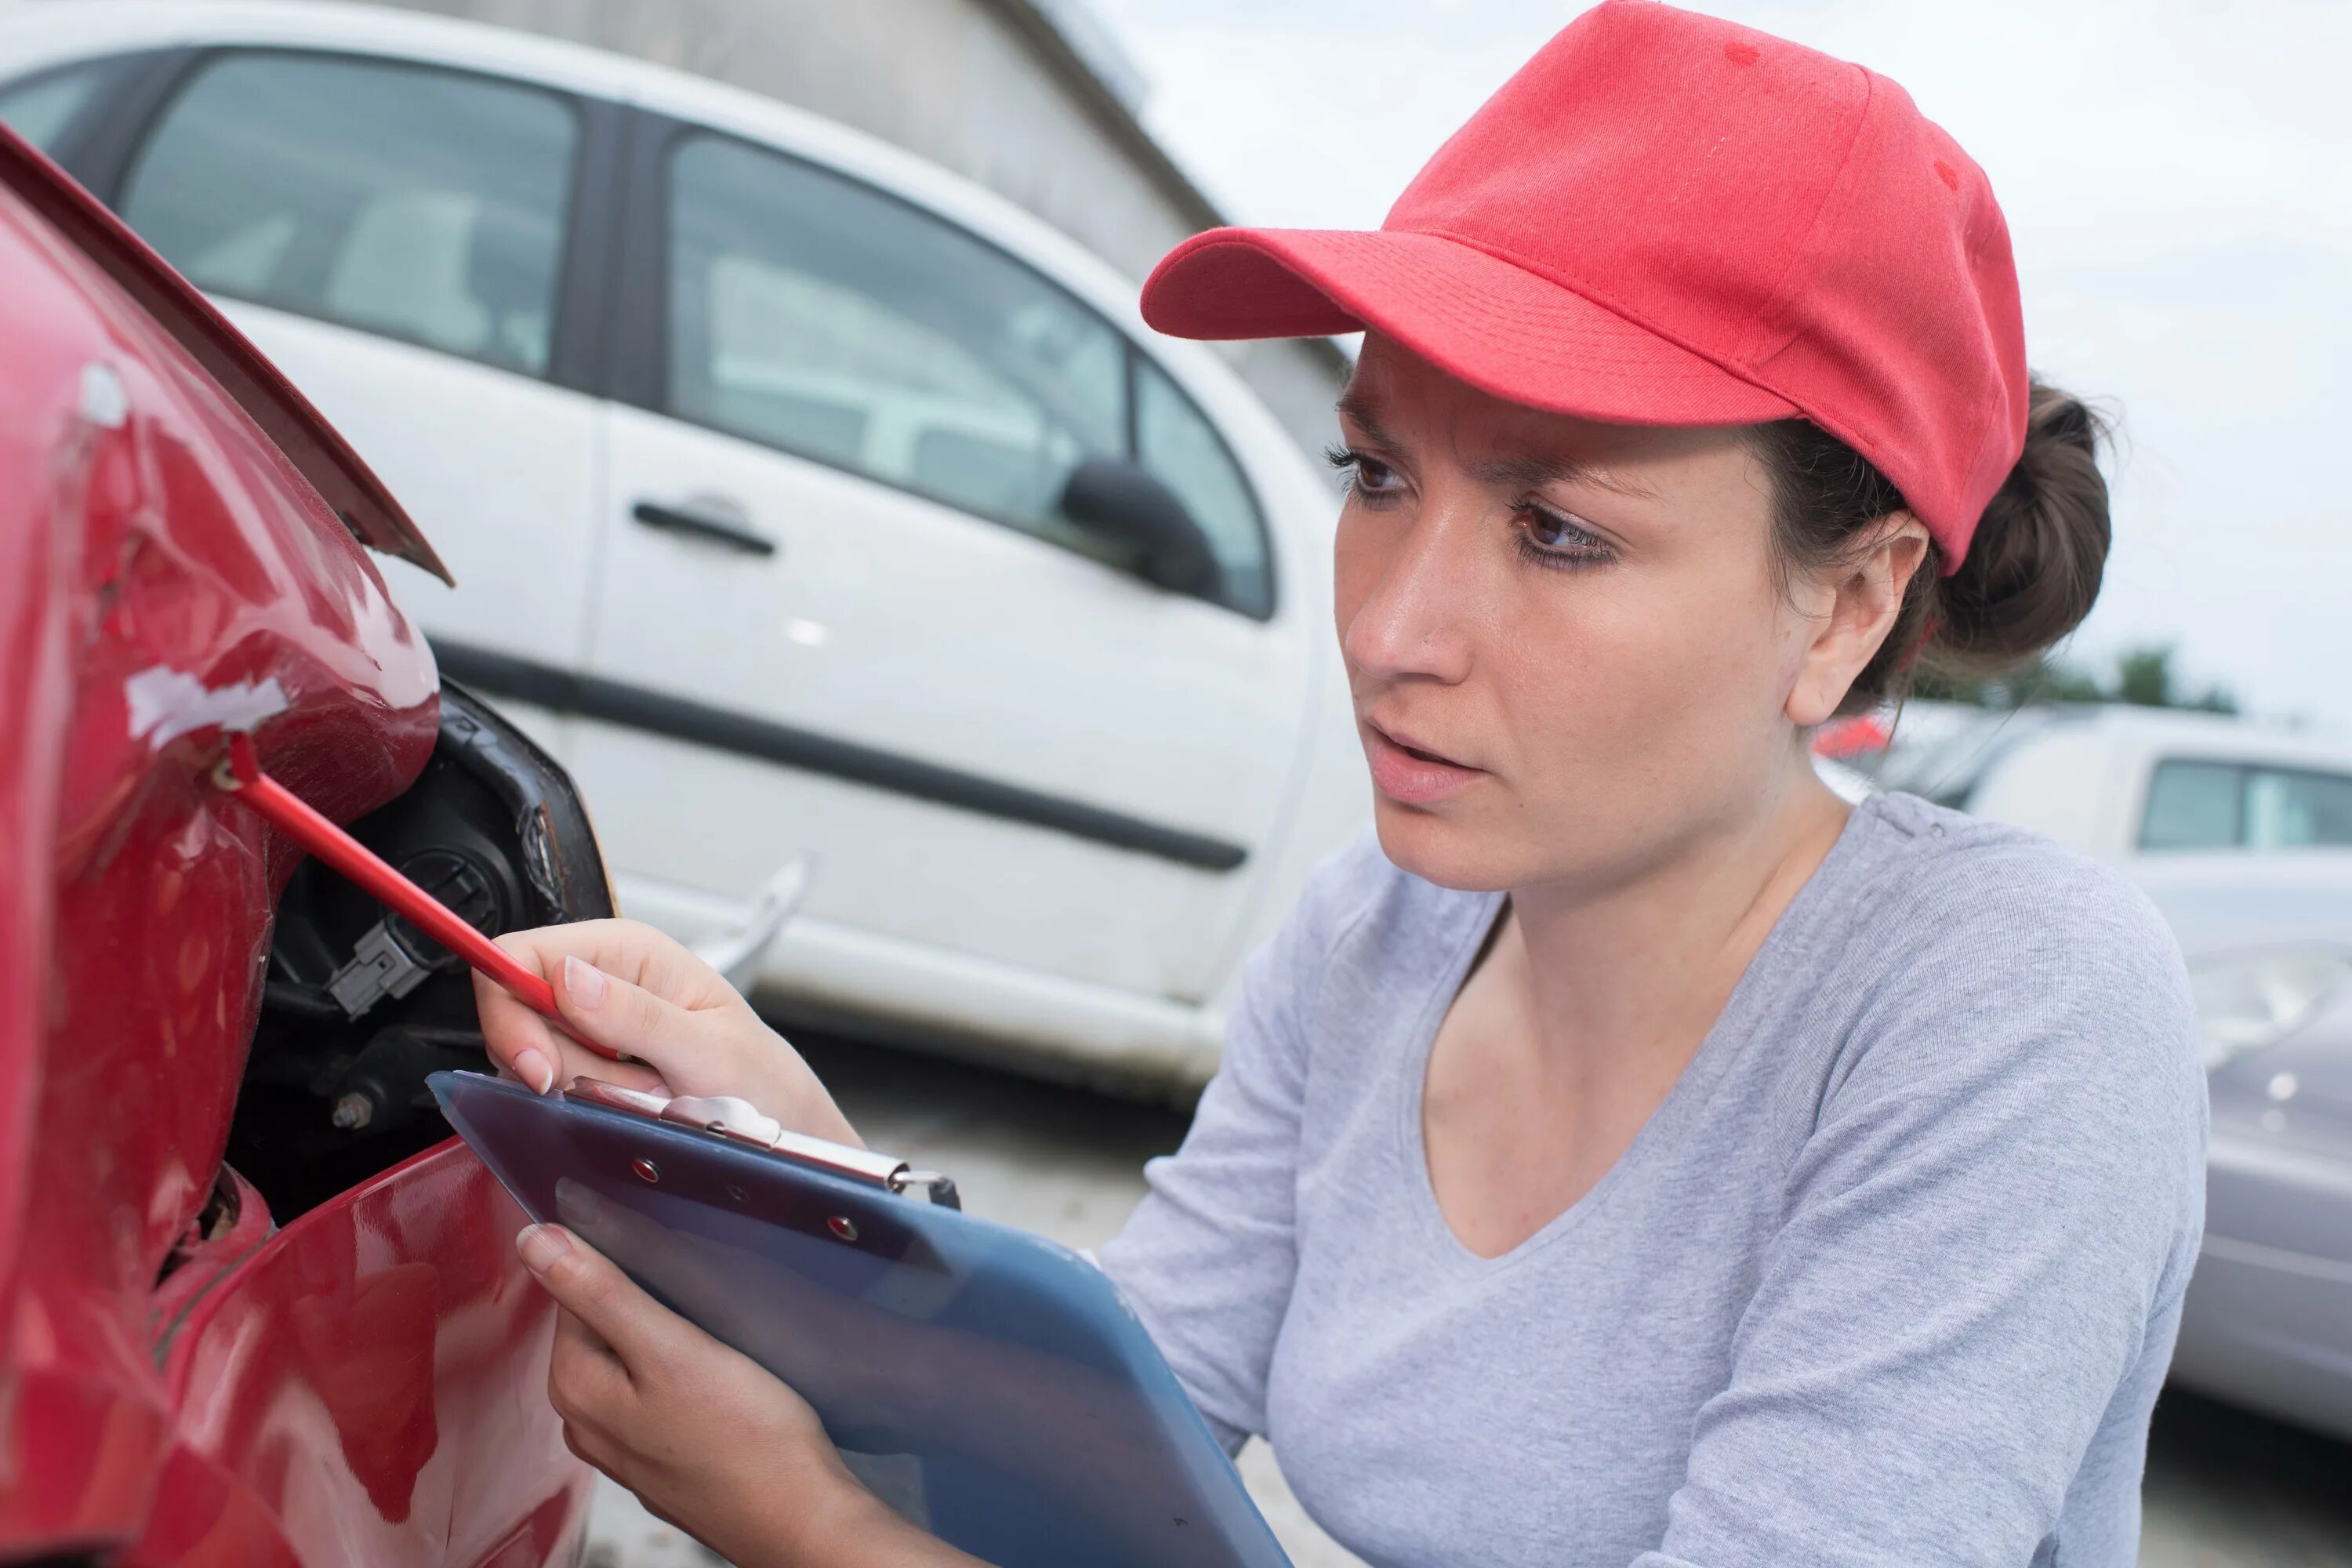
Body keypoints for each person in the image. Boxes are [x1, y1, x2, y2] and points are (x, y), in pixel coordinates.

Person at [474, 4, 2207, 1564]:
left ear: (1844, 605)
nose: (1391, 628)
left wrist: (818, 1537)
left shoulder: (2013, 1010)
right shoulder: (1376, 939)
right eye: (1374, 472)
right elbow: (1093, 1455)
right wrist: (786, 1162)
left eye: (1558, 530)